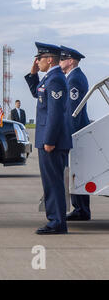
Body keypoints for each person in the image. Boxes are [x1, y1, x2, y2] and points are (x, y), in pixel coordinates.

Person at [24, 42, 72, 234]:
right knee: (50, 181)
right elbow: (38, 94)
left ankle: (57, 222)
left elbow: (55, 114)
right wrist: (33, 74)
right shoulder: (49, 78)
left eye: (40, 58)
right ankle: (55, 220)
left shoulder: (56, 79)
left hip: (53, 141)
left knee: (53, 182)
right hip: (48, 139)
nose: (37, 61)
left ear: (49, 59)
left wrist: (50, 140)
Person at [60, 45, 91, 221]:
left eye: (62, 59)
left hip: (75, 132)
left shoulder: (74, 80)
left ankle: (81, 210)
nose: (60, 62)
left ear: (70, 61)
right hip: (77, 132)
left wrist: (68, 137)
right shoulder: (74, 77)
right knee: (76, 171)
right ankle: (80, 209)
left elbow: (73, 112)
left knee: (76, 171)